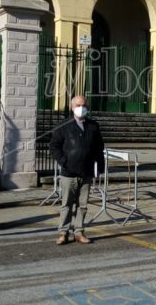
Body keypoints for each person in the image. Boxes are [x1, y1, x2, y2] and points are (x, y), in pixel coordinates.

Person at [50, 95, 105, 245]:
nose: (82, 108)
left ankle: (79, 232)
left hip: (86, 172)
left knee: (83, 205)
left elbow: (99, 148)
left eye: (84, 105)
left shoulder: (93, 126)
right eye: (78, 105)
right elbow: (54, 146)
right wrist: (63, 161)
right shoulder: (63, 126)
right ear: (72, 107)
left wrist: (100, 167)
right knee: (66, 204)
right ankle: (63, 232)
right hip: (69, 172)